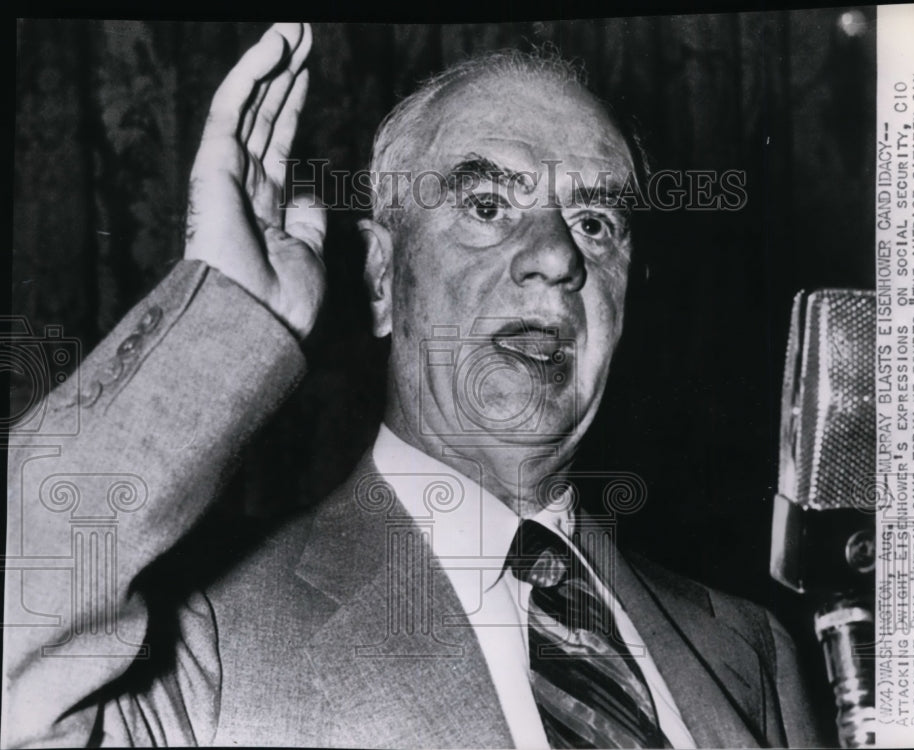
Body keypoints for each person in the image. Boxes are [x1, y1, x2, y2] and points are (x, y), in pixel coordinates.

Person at [3, 22, 825, 748]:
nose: (557, 256)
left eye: (596, 223)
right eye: (487, 204)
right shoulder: (203, 645)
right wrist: (221, 312)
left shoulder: (752, 648)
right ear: (381, 278)